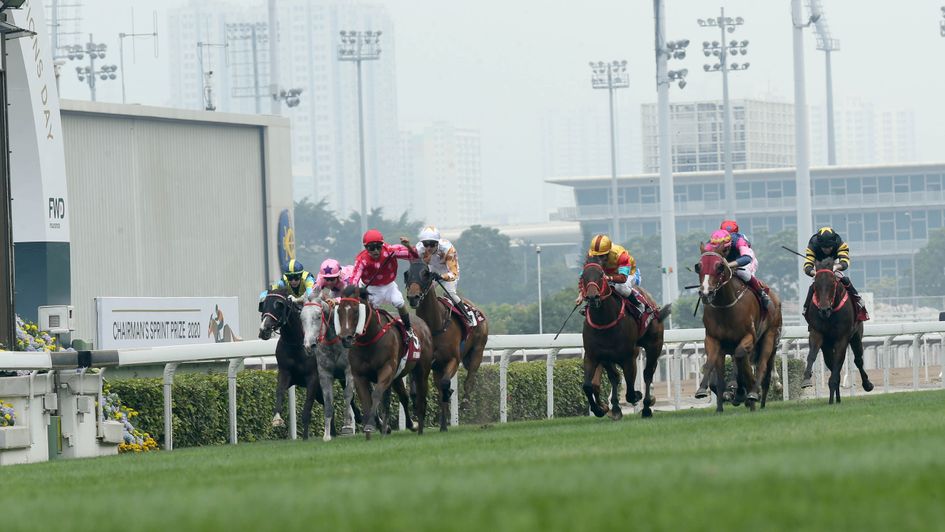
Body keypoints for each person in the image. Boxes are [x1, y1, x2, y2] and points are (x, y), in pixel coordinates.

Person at [350, 229, 420, 333]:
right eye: (372, 248)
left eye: (378, 247)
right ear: (366, 248)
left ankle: (409, 329)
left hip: (389, 286)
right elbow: (354, 280)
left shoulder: (390, 250)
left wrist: (408, 246)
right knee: (369, 311)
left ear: (382, 245)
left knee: (399, 302)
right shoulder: (362, 259)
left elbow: (414, 256)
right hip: (371, 289)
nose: (376, 251)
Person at [414, 226, 477, 326]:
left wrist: (441, 276)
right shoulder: (419, 249)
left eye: (432, 244)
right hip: (432, 271)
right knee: (421, 292)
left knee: (450, 293)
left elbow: (454, 273)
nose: (429, 248)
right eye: (426, 244)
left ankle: (467, 316)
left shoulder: (448, 249)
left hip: (449, 271)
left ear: (438, 243)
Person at [803, 226, 869, 321]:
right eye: (824, 247)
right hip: (819, 268)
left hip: (834, 265)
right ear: (819, 245)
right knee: (813, 286)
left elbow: (845, 262)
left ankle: (858, 302)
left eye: (830, 247)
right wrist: (817, 273)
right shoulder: (812, 245)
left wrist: (835, 267)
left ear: (834, 244)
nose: (827, 250)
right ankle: (806, 308)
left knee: (845, 280)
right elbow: (807, 267)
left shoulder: (840, 243)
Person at [578, 234, 645, 315]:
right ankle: (589, 307)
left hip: (628, 274)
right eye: (597, 256)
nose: (599, 259)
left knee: (620, 287)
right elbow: (584, 276)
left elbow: (623, 278)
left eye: (602, 256)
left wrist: (608, 278)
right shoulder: (591, 255)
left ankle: (638, 305)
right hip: (606, 274)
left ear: (608, 252)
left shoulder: (621, 255)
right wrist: (581, 294)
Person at [705, 229, 771, 310]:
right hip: (723, 263)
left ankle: (761, 293)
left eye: (723, 250)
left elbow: (747, 258)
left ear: (729, 246)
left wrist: (728, 265)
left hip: (743, 260)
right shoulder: (709, 245)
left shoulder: (739, 241)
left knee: (743, 273)